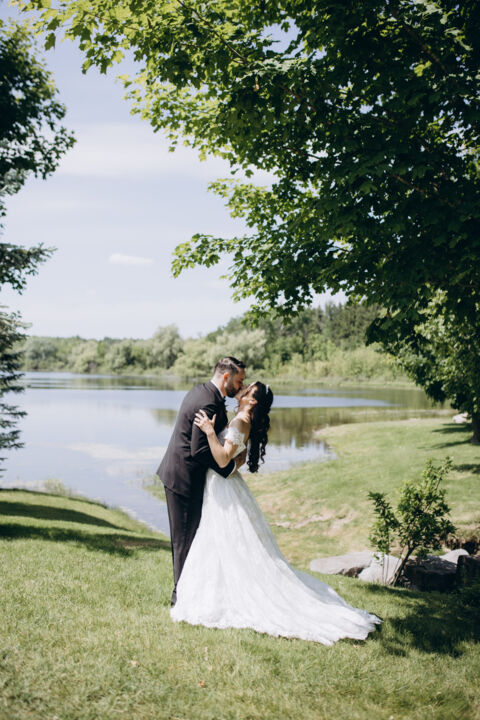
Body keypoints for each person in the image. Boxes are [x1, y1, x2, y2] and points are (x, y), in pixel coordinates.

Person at [170, 381, 381, 645]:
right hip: (224, 484)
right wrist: (232, 459)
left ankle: (224, 596)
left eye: (247, 388)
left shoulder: (240, 421)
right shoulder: (242, 420)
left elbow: (223, 458)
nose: (242, 388)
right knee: (221, 542)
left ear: (252, 401)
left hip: (223, 489)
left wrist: (210, 432)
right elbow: (237, 458)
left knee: (224, 540)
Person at [156, 356, 246, 606]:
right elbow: (199, 450)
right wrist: (229, 468)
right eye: (239, 381)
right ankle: (179, 598)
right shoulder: (208, 401)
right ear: (226, 377)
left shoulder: (203, 391)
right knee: (184, 539)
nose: (240, 386)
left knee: (189, 537)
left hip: (181, 473)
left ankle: (187, 593)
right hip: (183, 478)